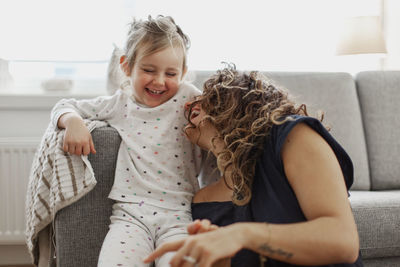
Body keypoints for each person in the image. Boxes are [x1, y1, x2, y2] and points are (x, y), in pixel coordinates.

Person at [144, 66, 364, 267]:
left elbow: (343, 242)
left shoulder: (292, 137)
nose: (189, 103)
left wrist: (242, 235)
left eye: (207, 97)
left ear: (235, 102)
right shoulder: (203, 200)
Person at [51, 15, 213, 266]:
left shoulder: (190, 99)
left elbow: (223, 118)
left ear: (182, 73)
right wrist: (72, 121)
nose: (159, 81)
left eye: (170, 73)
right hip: (129, 217)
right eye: (149, 70)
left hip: (180, 216)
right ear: (127, 66)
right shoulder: (119, 103)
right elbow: (64, 105)